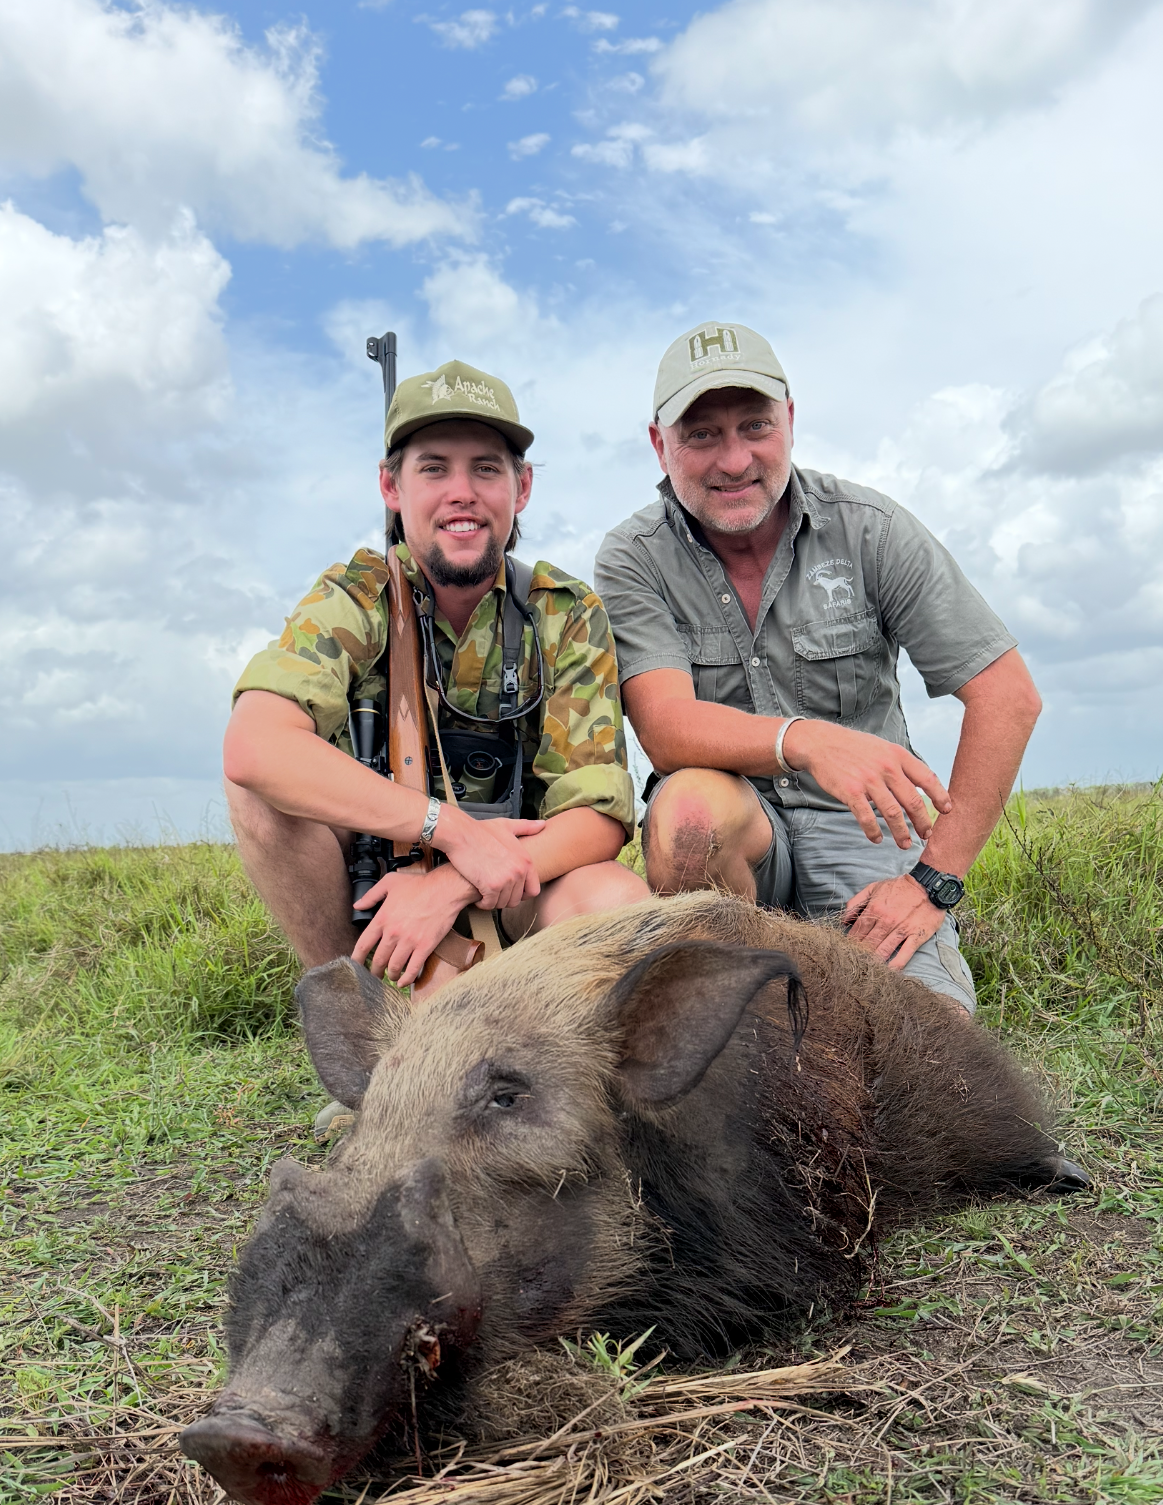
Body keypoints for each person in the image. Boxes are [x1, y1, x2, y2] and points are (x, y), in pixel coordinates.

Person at [594, 321, 1044, 1015]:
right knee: (686, 813)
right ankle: (727, 1000)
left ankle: (898, 957)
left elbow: (1008, 697)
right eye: (702, 434)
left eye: (754, 426)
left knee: (927, 1045)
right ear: (660, 444)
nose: (735, 459)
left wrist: (932, 883)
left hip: (864, 835)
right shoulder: (633, 557)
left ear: (791, 420)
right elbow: (664, 725)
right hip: (738, 840)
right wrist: (804, 739)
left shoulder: (870, 528)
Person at [225, 359, 647, 996]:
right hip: (386, 892)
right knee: (260, 797)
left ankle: (576, 1067)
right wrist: (446, 830)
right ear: (391, 487)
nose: (462, 493)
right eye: (433, 468)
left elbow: (598, 816)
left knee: (616, 901)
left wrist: (456, 880)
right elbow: (255, 746)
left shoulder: (564, 612)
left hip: (517, 888)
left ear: (522, 487)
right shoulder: (359, 596)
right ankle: (360, 1020)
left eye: (486, 468)